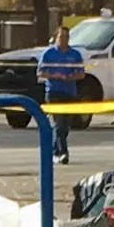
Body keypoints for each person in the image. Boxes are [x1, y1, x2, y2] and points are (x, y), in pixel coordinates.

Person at [36, 22, 84, 161]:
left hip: (69, 92)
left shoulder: (75, 54)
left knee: (65, 126)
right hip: (54, 92)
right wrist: (54, 75)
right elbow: (40, 73)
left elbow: (81, 74)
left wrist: (71, 77)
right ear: (56, 37)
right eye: (61, 36)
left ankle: (55, 152)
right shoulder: (48, 54)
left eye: (66, 37)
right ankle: (63, 153)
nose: (64, 39)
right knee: (59, 123)